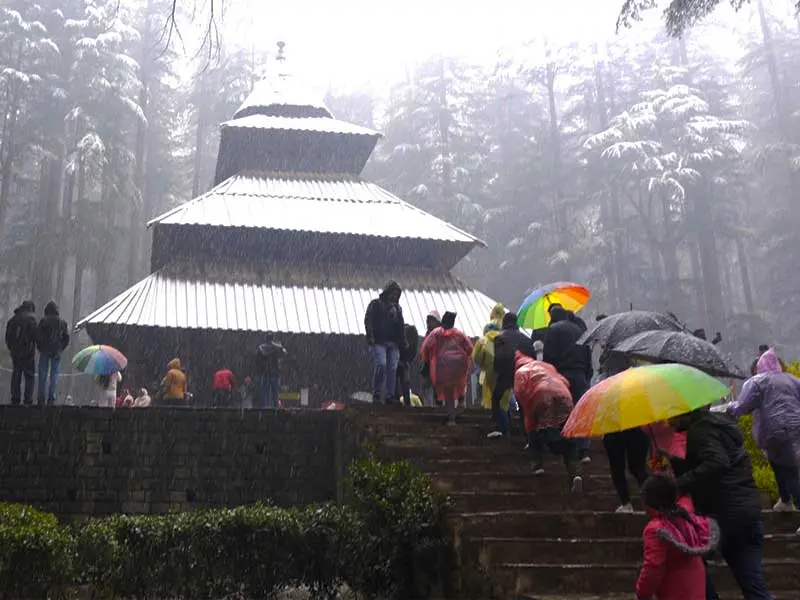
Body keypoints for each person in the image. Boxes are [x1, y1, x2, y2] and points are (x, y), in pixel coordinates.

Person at [670, 408, 772, 600]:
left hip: (722, 514)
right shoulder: (722, 426)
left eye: (673, 416)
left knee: (688, 560)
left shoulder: (701, 431)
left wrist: (680, 482)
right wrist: (675, 461)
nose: (670, 422)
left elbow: (717, 462)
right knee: (753, 585)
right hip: (747, 512)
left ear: (687, 413)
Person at [726, 348, 800, 513]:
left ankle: (790, 500)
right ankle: (785, 499)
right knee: (781, 464)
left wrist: (731, 408)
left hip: (773, 431)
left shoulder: (757, 382)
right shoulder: (792, 379)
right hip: (795, 429)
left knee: (789, 471)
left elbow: (743, 406)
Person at [635, 473, 718, 600]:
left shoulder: (656, 530)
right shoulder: (687, 518)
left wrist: (642, 593)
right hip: (695, 587)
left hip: (675, 590)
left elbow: (653, 567)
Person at [514, 353, 582, 491]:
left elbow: (520, 392)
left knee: (539, 430)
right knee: (567, 433)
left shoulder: (521, 372)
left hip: (540, 396)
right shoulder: (548, 366)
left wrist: (528, 410)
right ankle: (575, 474)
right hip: (564, 395)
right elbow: (565, 381)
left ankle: (537, 464)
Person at [598, 352, 650, 513]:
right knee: (638, 467)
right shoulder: (638, 379)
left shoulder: (605, 383)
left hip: (614, 428)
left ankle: (626, 503)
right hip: (636, 425)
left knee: (617, 468)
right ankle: (654, 503)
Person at [544, 304, 593, 462]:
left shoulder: (553, 330)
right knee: (581, 410)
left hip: (561, 375)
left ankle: (567, 445)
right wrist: (587, 373)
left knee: (562, 410)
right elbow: (587, 352)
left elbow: (548, 355)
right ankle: (584, 448)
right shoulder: (579, 330)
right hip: (579, 374)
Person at [420, 311, 474, 426]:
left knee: (448, 392)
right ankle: (461, 401)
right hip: (459, 365)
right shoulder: (459, 334)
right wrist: (465, 359)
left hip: (442, 366)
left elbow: (425, 347)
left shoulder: (436, 333)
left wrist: (426, 359)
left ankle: (451, 419)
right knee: (460, 385)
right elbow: (469, 347)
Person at [489, 312, 536, 438]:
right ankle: (526, 432)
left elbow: (498, 358)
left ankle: (500, 428)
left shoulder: (499, 338)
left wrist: (497, 373)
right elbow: (533, 358)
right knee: (523, 403)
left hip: (506, 373)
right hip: (524, 373)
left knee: (496, 398)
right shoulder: (527, 340)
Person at [364, 281, 406, 404]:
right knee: (381, 364)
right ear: (387, 293)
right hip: (379, 341)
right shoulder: (376, 304)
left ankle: (390, 395)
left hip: (393, 343)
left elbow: (401, 326)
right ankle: (377, 393)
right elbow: (368, 320)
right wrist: (370, 337)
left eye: (396, 294)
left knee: (393, 368)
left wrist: (403, 342)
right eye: (392, 293)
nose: (394, 296)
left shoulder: (398, 309)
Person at [35, 301, 70, 406]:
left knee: (43, 374)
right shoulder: (62, 322)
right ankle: (51, 397)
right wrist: (61, 348)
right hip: (56, 351)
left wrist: (40, 347)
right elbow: (66, 338)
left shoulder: (43, 321)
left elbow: (38, 336)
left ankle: (41, 398)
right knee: (54, 375)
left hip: (45, 350)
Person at [5, 301, 38, 405]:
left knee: (16, 375)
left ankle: (15, 398)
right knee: (29, 376)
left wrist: (12, 348)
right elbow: (35, 336)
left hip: (16, 353)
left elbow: (8, 338)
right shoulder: (31, 319)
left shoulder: (13, 320)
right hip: (28, 353)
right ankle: (27, 400)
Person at [472, 322, 501, 410]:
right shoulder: (504, 340)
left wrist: (483, 366)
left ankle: (485, 410)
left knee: (484, 393)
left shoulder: (483, 340)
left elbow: (476, 358)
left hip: (485, 373)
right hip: (501, 373)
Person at [256, 335, 287, 409]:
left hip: (266, 372)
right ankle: (275, 408)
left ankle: (265, 408)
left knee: (265, 392)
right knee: (275, 392)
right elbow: (285, 353)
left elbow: (257, 361)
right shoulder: (278, 347)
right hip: (274, 372)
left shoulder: (261, 347)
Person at [421, 310, 441, 406]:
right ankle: (427, 406)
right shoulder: (428, 333)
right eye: (428, 321)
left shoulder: (441, 333)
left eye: (431, 321)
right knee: (426, 386)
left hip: (438, 364)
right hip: (428, 364)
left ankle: (439, 405)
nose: (429, 323)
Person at [396, 323, 419, 406]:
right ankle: (398, 399)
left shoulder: (412, 341)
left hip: (403, 360)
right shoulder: (401, 337)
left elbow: (412, 353)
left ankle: (406, 401)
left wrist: (406, 362)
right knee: (398, 378)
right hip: (397, 359)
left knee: (405, 379)